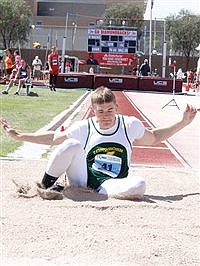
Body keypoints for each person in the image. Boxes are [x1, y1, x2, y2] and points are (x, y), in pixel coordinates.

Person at [0, 86, 197, 200]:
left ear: (116, 107)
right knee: (70, 145)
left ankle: (94, 194)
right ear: (93, 110)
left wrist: (183, 122)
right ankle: (46, 186)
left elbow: (154, 137)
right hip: (83, 179)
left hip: (110, 183)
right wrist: (20, 136)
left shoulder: (129, 125)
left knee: (140, 184)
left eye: (109, 110)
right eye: (100, 111)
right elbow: (52, 139)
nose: (105, 116)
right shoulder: (85, 126)